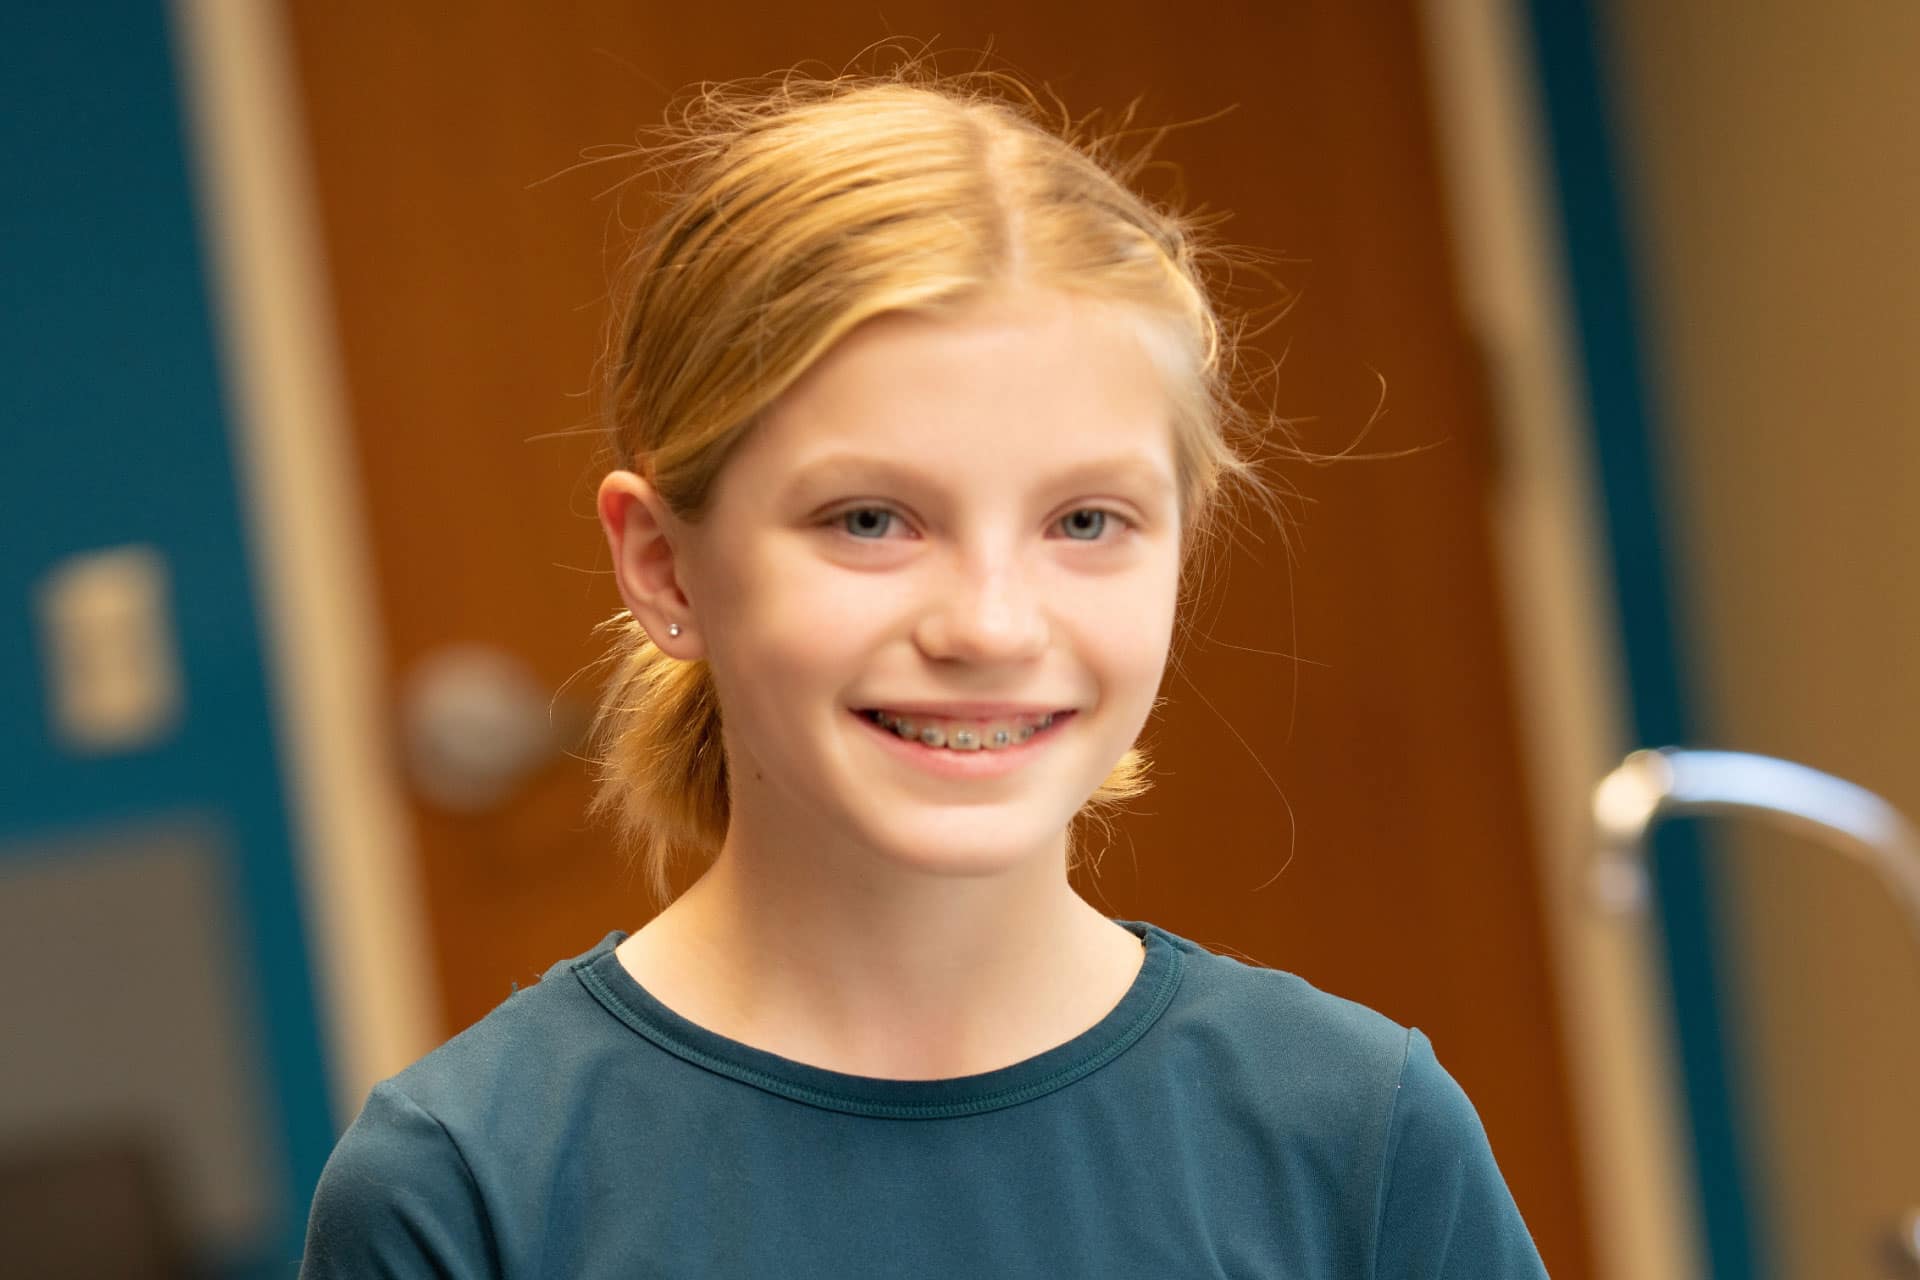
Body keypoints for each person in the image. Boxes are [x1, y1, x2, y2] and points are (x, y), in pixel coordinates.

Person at [299, 60, 1551, 1279]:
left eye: (1084, 522)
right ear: (666, 568)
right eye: (869, 520)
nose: (992, 625)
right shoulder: (470, 1187)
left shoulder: (1356, 1136)